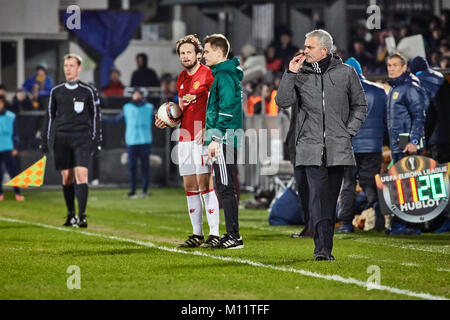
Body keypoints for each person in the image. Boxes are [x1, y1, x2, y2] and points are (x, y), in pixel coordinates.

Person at [275, 29, 367, 260]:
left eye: (309, 47)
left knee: (328, 199)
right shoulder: (299, 73)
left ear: (324, 50)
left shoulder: (346, 73)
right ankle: (322, 249)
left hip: (337, 147)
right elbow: (282, 101)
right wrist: (290, 73)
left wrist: (348, 132)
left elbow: (360, 105)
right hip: (309, 146)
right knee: (316, 197)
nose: (304, 50)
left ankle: (326, 246)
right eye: (305, 46)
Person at [155, 34, 221, 248]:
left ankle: (215, 234)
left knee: (205, 185)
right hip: (184, 136)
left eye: (188, 52)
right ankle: (197, 234)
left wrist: (210, 129)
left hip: (201, 137)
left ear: (199, 54)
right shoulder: (182, 78)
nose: (185, 56)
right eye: (182, 53)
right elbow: (182, 108)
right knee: (190, 186)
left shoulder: (208, 75)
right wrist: (168, 119)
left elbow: (216, 104)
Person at [40, 54, 102, 228]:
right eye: (66, 65)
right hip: (62, 138)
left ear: (79, 68)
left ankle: (82, 216)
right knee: (66, 177)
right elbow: (50, 116)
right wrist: (44, 139)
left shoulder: (87, 91)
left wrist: (96, 139)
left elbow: (96, 116)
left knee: (81, 175)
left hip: (82, 138)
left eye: (71, 65)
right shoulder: (56, 91)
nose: (68, 68)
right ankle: (71, 215)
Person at [202, 33, 244, 249]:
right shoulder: (223, 74)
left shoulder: (225, 76)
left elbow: (227, 110)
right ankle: (231, 235)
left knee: (226, 187)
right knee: (223, 186)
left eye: (206, 51)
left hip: (225, 139)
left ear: (219, 52)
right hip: (223, 138)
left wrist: (216, 138)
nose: (203, 55)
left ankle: (234, 236)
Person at [338, 57, 387, 234]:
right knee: (370, 182)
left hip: (350, 146)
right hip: (373, 146)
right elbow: (386, 120)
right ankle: (379, 211)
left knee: (349, 184)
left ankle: (345, 223)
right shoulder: (380, 92)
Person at [103, 88, 153, 198]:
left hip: (145, 140)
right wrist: (100, 118)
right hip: (132, 141)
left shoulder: (149, 107)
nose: (137, 96)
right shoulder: (128, 107)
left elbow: (158, 119)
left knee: (145, 167)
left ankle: (144, 191)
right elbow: (115, 120)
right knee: (132, 167)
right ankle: (133, 191)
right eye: (135, 93)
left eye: (139, 93)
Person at [386, 53, 426, 164]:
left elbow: (419, 116)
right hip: (399, 144)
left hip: (408, 144)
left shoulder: (410, 87)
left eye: (395, 65)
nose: (391, 68)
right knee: (401, 179)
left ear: (404, 67)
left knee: (411, 180)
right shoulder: (394, 88)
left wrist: (414, 141)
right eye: (389, 65)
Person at [409, 56, 450, 164]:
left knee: (442, 174)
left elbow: (428, 116)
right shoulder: (442, 79)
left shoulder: (418, 83)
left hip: (436, 139)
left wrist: (424, 140)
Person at [0, 95, 24, 202]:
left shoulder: (11, 116)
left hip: (8, 147)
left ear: (3, 103)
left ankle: (17, 193)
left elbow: (15, 133)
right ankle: (0, 194)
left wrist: (15, 147)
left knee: (13, 172)